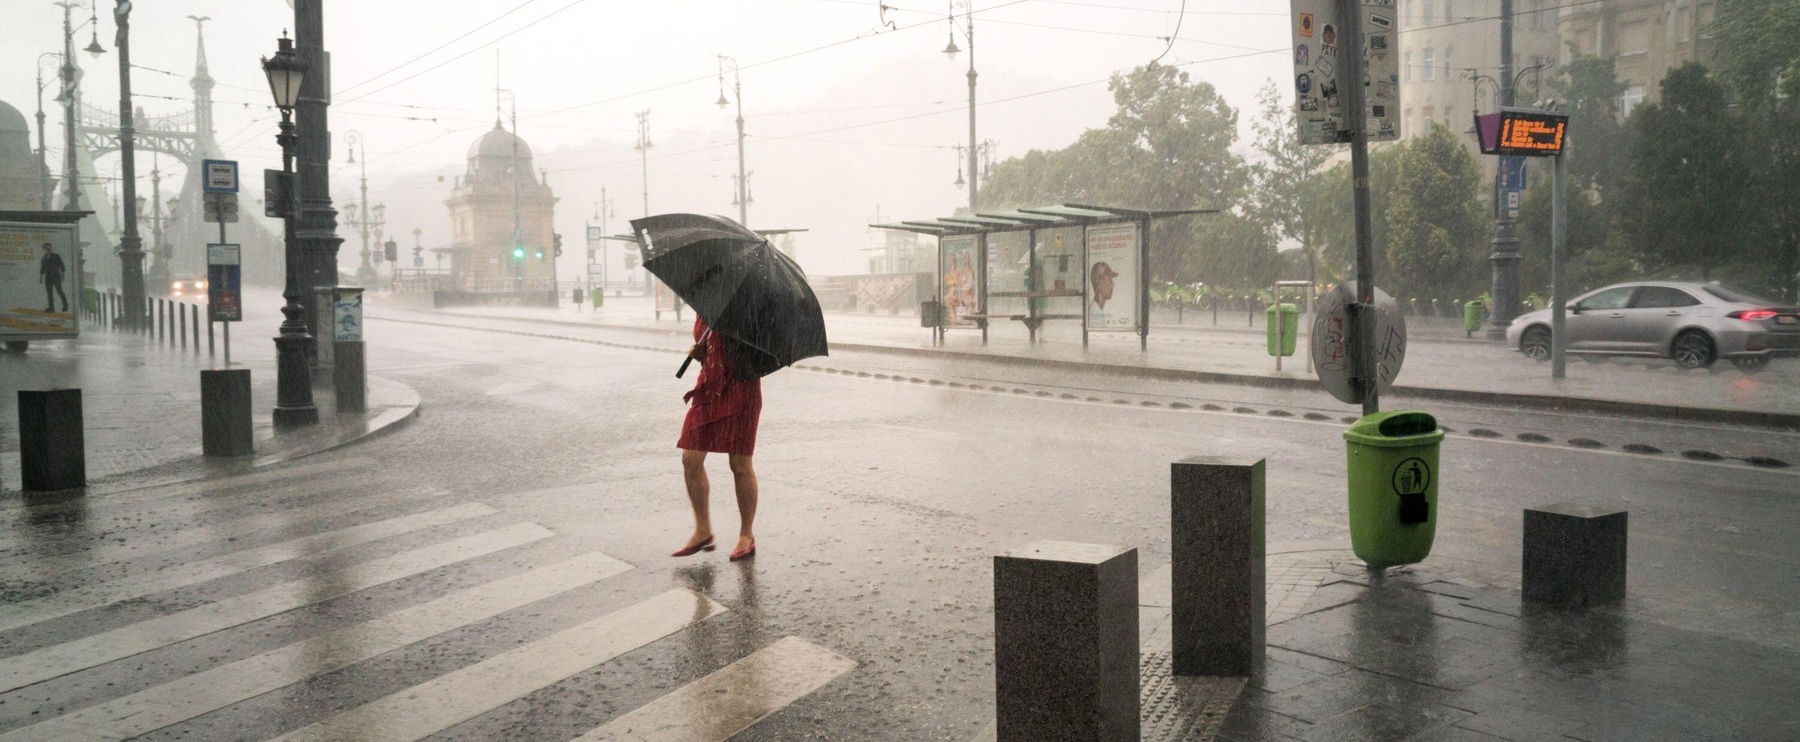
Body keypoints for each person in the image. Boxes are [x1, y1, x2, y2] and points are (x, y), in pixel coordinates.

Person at [673, 318, 763, 561]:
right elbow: (711, 349)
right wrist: (702, 353)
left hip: (742, 388)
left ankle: (747, 535)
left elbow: (759, 353)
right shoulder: (708, 306)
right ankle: (703, 530)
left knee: (740, 465)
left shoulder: (747, 309)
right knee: (690, 459)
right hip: (709, 388)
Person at [40, 243, 68, 314]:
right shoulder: (43, 258)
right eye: (46, 249)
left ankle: (65, 305)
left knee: (59, 291)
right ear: (44, 249)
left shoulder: (56, 256)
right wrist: (41, 277)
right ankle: (51, 307)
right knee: (49, 293)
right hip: (48, 277)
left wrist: (63, 274)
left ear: (51, 248)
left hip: (56, 276)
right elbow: (42, 269)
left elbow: (61, 265)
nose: (48, 250)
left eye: (49, 248)